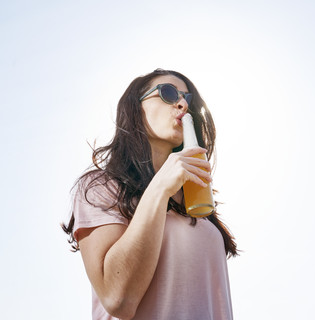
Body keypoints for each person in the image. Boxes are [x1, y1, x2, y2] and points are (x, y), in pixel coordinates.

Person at [62, 68, 238, 320]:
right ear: (135, 108)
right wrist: (160, 187)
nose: (181, 104)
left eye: (189, 100)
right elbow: (118, 299)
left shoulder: (195, 196)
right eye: (168, 93)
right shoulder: (101, 187)